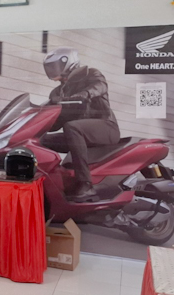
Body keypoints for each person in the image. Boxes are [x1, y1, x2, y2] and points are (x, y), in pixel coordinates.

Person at [40, 47, 120, 202]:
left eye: (54, 66)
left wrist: (84, 94)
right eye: (49, 67)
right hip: (77, 134)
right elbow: (57, 121)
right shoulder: (57, 93)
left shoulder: (91, 74)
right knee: (41, 140)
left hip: (106, 127)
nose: (51, 70)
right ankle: (53, 183)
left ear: (67, 62)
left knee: (72, 127)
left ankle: (85, 184)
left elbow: (100, 87)